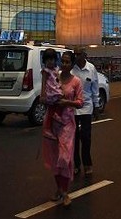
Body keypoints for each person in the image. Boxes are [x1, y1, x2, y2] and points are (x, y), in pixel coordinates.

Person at [42, 50, 83, 207]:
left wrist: (67, 103)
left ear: (72, 64)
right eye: (63, 61)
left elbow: (80, 102)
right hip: (52, 122)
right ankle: (59, 189)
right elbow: (46, 93)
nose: (64, 64)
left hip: (67, 124)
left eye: (68, 62)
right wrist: (45, 99)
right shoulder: (54, 76)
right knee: (54, 158)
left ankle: (65, 192)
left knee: (64, 158)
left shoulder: (76, 82)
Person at [71, 48, 99, 177]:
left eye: (79, 54)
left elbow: (95, 88)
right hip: (73, 108)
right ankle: (76, 164)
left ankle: (87, 163)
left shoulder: (91, 68)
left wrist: (96, 105)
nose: (77, 57)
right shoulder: (72, 69)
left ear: (84, 55)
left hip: (87, 106)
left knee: (86, 137)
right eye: (75, 54)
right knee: (74, 137)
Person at [40, 48, 68, 141]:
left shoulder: (56, 69)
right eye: (48, 60)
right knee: (51, 109)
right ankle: (47, 129)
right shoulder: (46, 71)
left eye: (51, 60)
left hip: (56, 90)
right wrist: (42, 94)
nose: (50, 62)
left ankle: (57, 116)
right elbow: (43, 83)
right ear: (44, 61)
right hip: (50, 92)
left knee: (61, 102)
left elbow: (58, 79)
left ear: (55, 60)